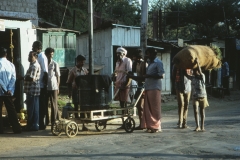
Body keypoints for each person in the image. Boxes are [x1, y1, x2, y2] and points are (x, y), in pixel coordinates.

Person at [128, 48, 165, 133]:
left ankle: (156, 126)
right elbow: (144, 76)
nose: (147, 56)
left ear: (153, 54)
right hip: (148, 87)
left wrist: (150, 75)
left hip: (155, 87)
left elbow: (161, 75)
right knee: (148, 108)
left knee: (155, 108)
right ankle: (150, 126)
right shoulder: (150, 63)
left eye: (148, 54)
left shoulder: (158, 63)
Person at [0, 47, 22, 134]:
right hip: (8, 92)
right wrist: (9, 89)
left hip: (1, 91)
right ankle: (16, 128)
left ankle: (1, 129)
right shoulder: (11, 65)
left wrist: (4, 88)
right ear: (6, 55)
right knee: (11, 110)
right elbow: (13, 78)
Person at [66, 54, 89, 131]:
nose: (83, 63)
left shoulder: (85, 70)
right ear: (78, 62)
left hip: (83, 92)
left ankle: (83, 125)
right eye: (81, 62)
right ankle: (76, 125)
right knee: (76, 108)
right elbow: (69, 82)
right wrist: (69, 92)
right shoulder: (73, 71)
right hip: (75, 91)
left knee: (83, 108)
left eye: (83, 62)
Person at [186, 58, 209, 132]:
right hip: (195, 97)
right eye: (194, 70)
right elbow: (186, 74)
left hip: (203, 96)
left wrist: (198, 63)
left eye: (196, 70)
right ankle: (197, 126)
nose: (195, 72)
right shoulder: (192, 78)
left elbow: (200, 71)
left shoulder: (202, 76)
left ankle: (202, 126)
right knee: (196, 111)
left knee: (202, 111)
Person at [113, 47, 132, 129]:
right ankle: (123, 122)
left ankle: (127, 122)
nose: (118, 55)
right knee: (121, 104)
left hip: (124, 84)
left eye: (119, 54)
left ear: (123, 54)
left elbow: (129, 73)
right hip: (118, 84)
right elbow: (116, 73)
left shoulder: (128, 60)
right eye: (117, 53)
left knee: (125, 104)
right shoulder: (117, 62)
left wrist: (127, 84)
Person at [32, 41, 48, 130]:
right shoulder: (38, 56)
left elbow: (45, 72)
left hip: (42, 85)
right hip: (39, 85)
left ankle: (42, 123)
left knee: (42, 105)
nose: (32, 48)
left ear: (38, 47)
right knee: (39, 105)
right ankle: (39, 123)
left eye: (33, 46)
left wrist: (45, 85)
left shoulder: (42, 56)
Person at [23, 51, 41, 131]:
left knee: (31, 109)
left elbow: (32, 78)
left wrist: (22, 78)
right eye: (29, 56)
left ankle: (31, 125)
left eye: (31, 56)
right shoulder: (33, 65)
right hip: (33, 90)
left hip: (32, 90)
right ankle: (34, 125)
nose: (29, 58)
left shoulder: (34, 66)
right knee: (34, 109)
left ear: (35, 57)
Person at [132, 49, 147, 130]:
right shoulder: (135, 63)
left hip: (144, 86)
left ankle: (143, 124)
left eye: (134, 56)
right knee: (138, 105)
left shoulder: (144, 64)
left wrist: (135, 77)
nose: (133, 58)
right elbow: (133, 72)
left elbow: (144, 77)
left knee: (141, 105)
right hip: (139, 85)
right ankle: (142, 123)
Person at [45, 47, 60, 125]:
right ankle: (47, 121)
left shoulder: (55, 63)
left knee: (54, 103)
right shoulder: (43, 63)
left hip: (54, 86)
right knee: (45, 104)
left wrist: (58, 87)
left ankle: (54, 120)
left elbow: (58, 75)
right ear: (46, 54)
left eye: (52, 54)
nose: (51, 56)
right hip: (46, 86)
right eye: (49, 54)